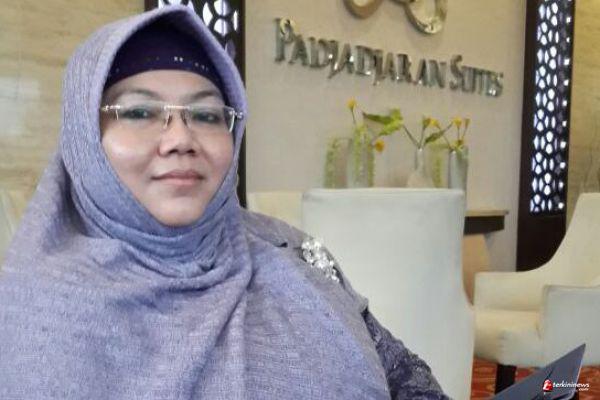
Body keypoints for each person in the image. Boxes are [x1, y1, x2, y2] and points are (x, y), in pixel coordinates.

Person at [0, 5, 449, 400]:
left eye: (206, 115)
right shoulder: (34, 315)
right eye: (139, 112)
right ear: (83, 135)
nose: (180, 139)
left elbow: (401, 374)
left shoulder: (288, 251)